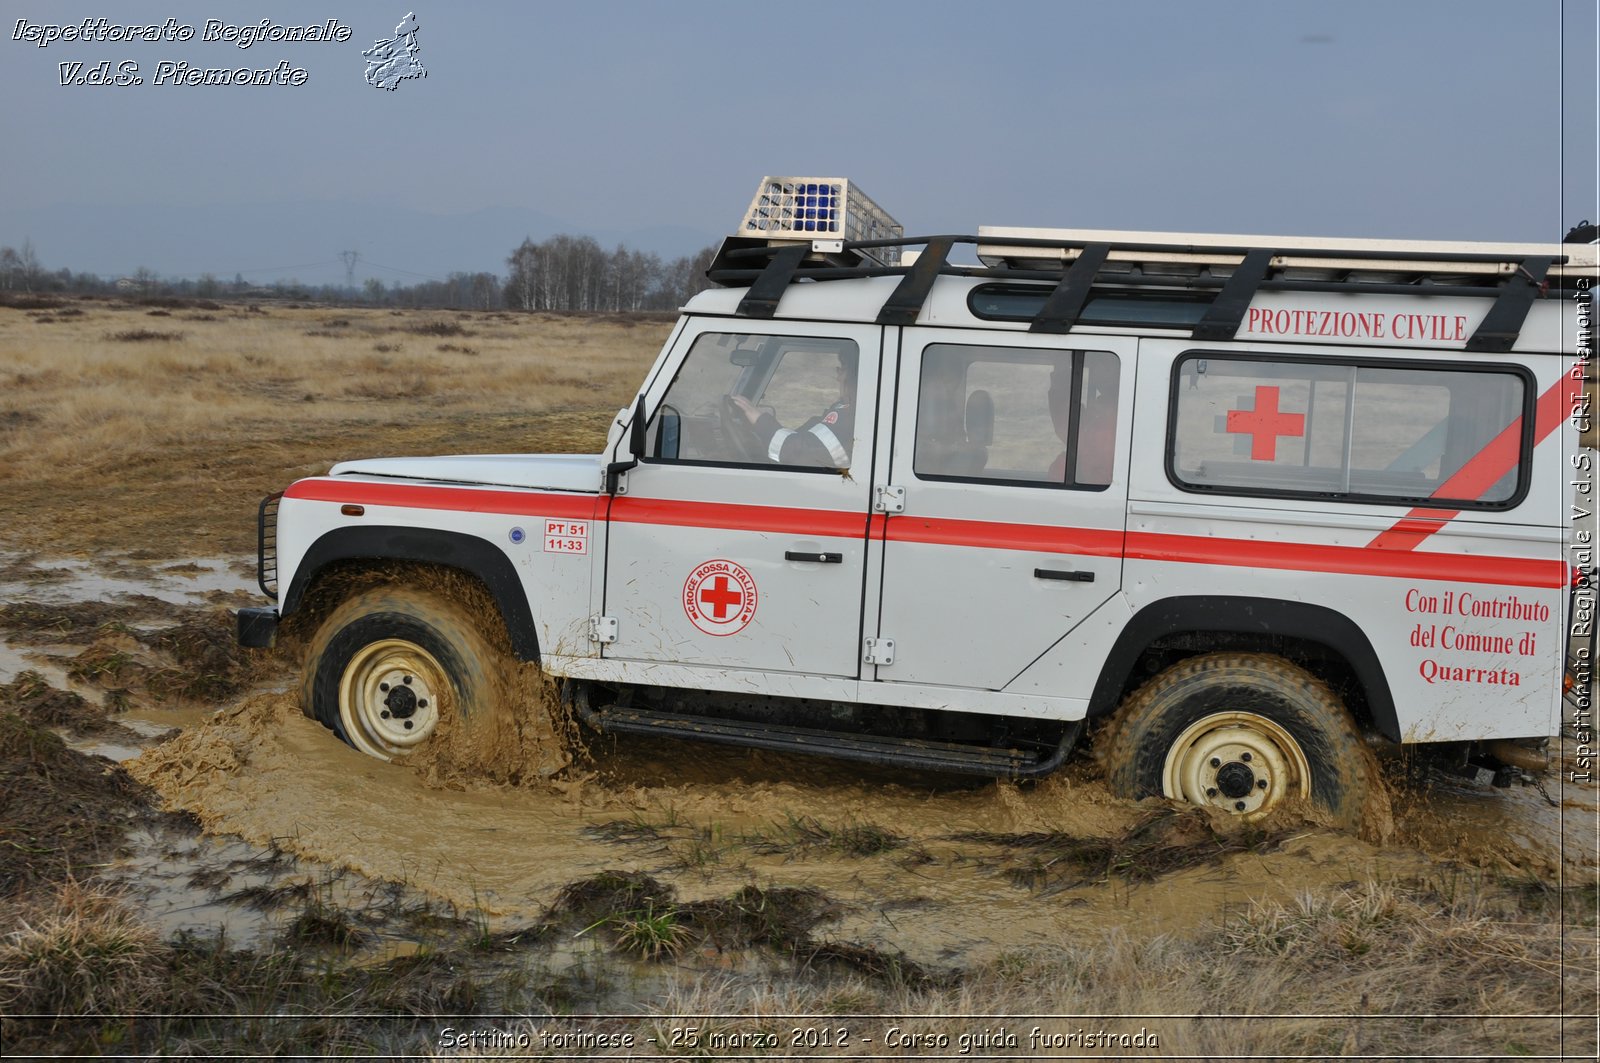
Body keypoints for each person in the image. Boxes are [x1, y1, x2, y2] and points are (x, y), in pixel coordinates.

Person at [729, 351, 857, 468]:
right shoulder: (842, 408)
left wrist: (761, 422)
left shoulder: (850, 416)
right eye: (837, 370)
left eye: (842, 370)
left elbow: (801, 453)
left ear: (853, 376)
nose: (838, 377)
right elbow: (805, 438)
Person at [1047, 355, 1118, 485]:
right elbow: (1064, 411)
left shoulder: (1101, 423)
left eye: (1105, 365)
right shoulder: (1099, 414)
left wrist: (1060, 367)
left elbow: (1064, 415)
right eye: (1096, 366)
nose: (1097, 372)